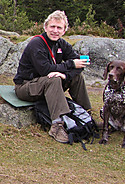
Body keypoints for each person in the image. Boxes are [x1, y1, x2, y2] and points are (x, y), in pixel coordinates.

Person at [13, 10, 91, 143]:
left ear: (64, 30)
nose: (55, 30)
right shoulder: (37, 43)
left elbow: (80, 65)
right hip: (26, 86)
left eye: (59, 27)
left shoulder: (62, 44)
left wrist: (66, 76)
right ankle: (56, 125)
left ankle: (86, 116)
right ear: (45, 27)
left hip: (46, 85)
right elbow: (45, 69)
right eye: (52, 27)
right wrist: (70, 64)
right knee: (53, 79)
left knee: (75, 77)